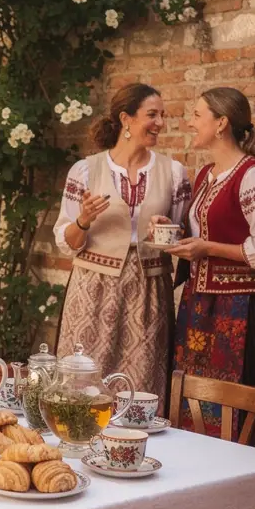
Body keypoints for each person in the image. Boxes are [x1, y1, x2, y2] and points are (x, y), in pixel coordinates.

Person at [54, 83, 192, 413]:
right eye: (152, 115)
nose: (160, 123)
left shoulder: (173, 173)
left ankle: (130, 455)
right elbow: (67, 243)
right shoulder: (85, 171)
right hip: (92, 289)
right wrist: (84, 219)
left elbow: (180, 241)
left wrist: (166, 233)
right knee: (83, 382)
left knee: (142, 382)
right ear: (126, 119)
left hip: (148, 290)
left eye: (163, 115)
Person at [162, 87, 255, 436]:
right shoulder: (206, 175)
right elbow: (209, 231)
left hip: (241, 309)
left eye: (197, 115)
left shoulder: (254, 176)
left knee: (238, 408)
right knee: (194, 402)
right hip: (200, 305)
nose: (190, 123)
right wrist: (172, 231)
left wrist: (208, 249)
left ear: (221, 123)